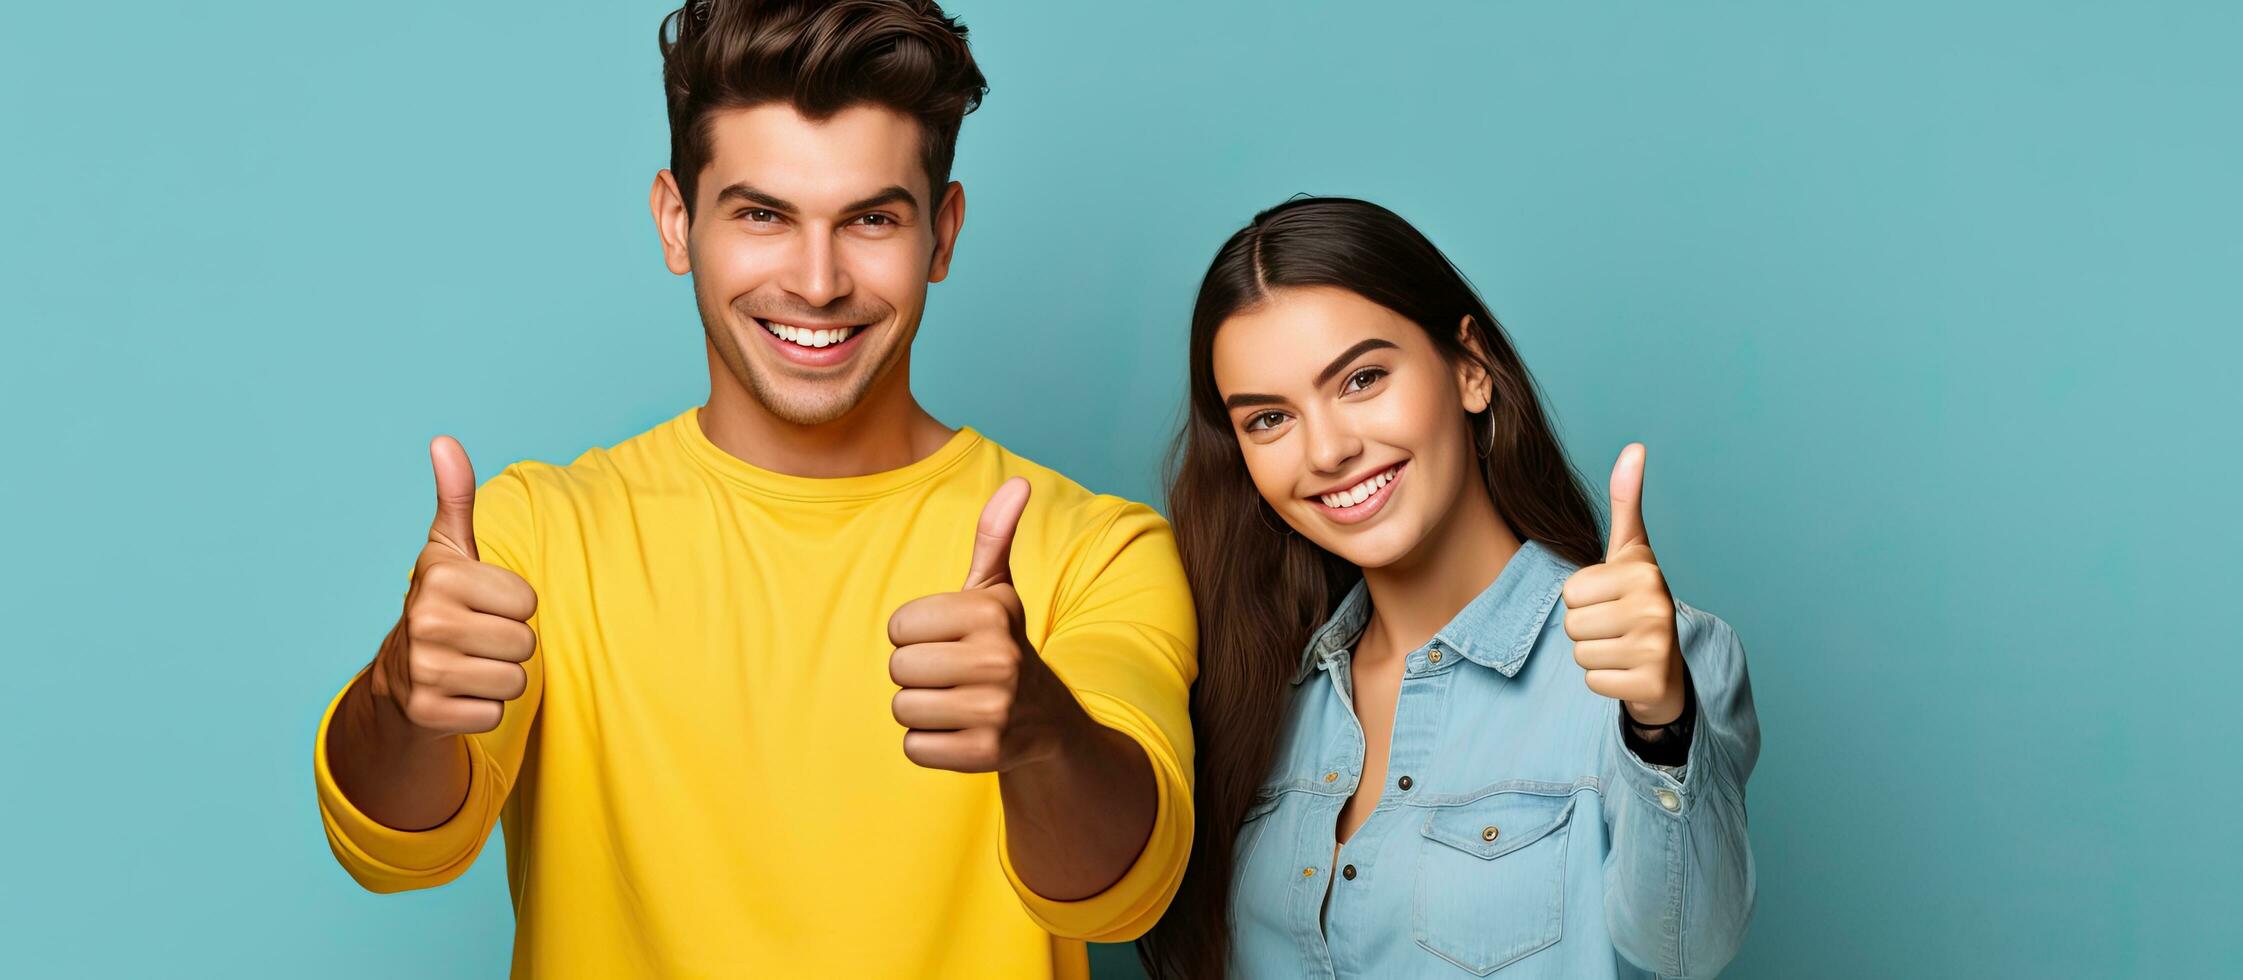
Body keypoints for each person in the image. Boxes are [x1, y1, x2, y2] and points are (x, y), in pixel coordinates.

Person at [311, 2, 1196, 976]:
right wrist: (399, 690)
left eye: (870, 219)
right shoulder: (535, 533)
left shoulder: (1096, 547)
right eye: (763, 214)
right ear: (676, 220)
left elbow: (1120, 889)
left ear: (941, 235)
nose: (816, 281)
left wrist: (1043, 732)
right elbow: (395, 846)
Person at [1138, 197, 1756, 978]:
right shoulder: (1254, 697)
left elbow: (1688, 948)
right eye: (1268, 419)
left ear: (1470, 369)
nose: (1327, 450)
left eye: (1361, 378)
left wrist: (1660, 725)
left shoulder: (1646, 668)